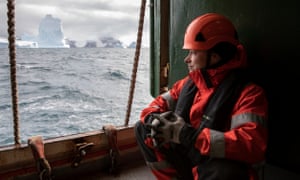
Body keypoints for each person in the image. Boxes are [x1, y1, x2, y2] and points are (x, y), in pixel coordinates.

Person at [134, 12, 268, 180]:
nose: (187, 59)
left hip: (214, 166)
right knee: (142, 128)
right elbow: (155, 105)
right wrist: (152, 119)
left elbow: (251, 145)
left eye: (193, 53)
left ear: (214, 56)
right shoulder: (188, 84)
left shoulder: (249, 94)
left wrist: (190, 136)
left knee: (223, 170)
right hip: (190, 159)